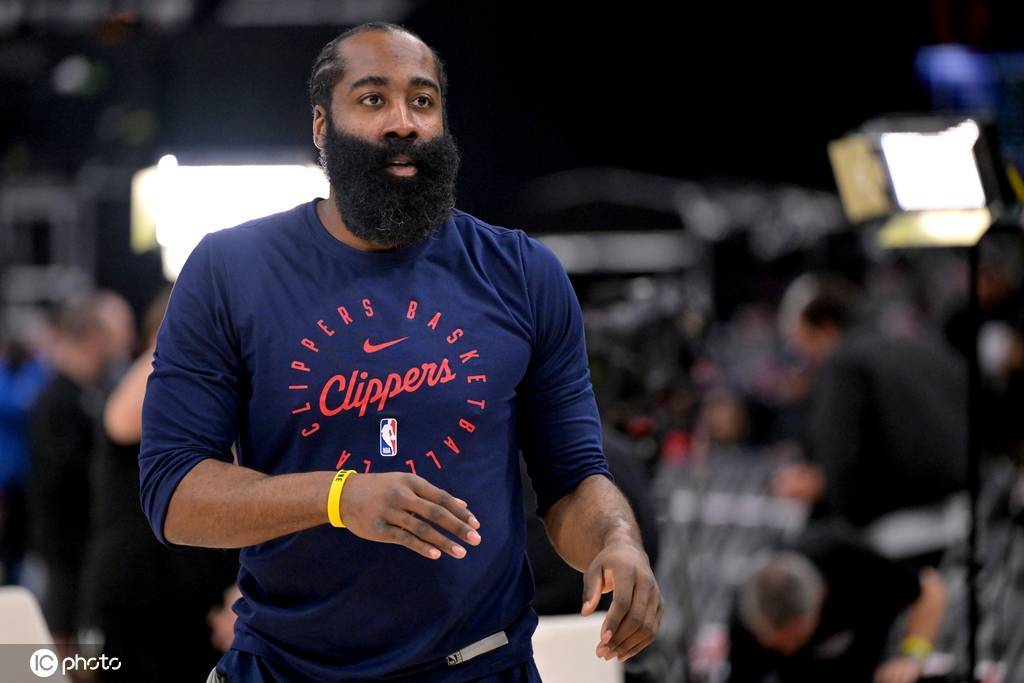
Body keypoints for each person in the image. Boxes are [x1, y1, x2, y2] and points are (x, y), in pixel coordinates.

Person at [139, 22, 661, 682]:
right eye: (372, 99)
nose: (403, 122)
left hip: (480, 666)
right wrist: (338, 496)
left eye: (422, 100)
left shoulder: (522, 273)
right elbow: (174, 492)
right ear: (322, 125)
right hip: (288, 666)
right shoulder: (228, 269)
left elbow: (573, 478)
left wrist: (617, 540)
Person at [77, 289, 238, 681]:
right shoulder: (142, 387)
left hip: (198, 612)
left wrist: (242, 590)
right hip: (132, 609)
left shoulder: (220, 398)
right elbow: (123, 420)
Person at [771, 275, 966, 564]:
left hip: (890, 535)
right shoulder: (922, 349)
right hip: (957, 522)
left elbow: (841, 466)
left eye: (803, 343)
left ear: (826, 328)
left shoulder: (843, 364)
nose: (804, 358)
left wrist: (817, 483)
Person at [27, 293, 129, 653]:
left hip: (81, 538)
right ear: (90, 340)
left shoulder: (86, 393)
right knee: (61, 627)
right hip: (63, 539)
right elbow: (60, 474)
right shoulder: (56, 400)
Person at [728, 531, 947, 683]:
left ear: (821, 596)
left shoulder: (845, 560)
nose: (789, 649)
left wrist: (911, 657)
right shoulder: (744, 622)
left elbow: (929, 589)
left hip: (881, 661)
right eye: (776, 643)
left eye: (796, 638)